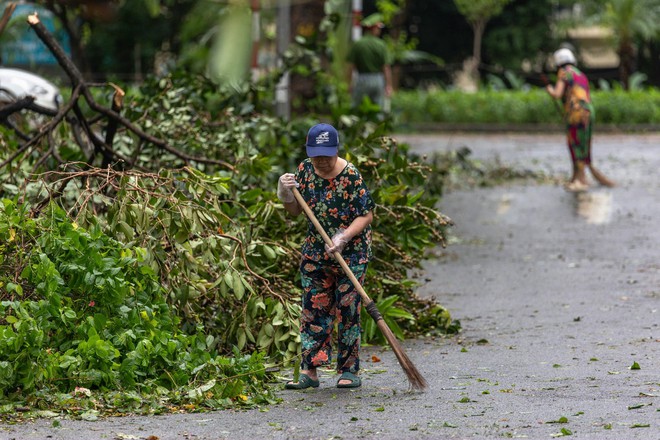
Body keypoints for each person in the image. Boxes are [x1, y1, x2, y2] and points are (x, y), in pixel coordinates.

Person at [277, 123, 375, 389]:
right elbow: (295, 211)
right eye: (316, 154)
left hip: (352, 254)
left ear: (336, 150)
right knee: (313, 309)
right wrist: (284, 193)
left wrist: (343, 237)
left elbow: (366, 214)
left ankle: (348, 370)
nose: (320, 160)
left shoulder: (351, 175)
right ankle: (310, 371)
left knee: (347, 308)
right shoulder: (305, 171)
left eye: (326, 155)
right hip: (316, 252)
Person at [546, 47, 615, 191]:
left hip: (576, 114)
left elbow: (557, 94)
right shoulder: (580, 74)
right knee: (584, 145)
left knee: (575, 145)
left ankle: (581, 180)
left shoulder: (564, 73)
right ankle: (576, 177)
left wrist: (549, 90)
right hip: (588, 112)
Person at [347, 14, 393, 110]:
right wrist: (388, 85)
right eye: (378, 28)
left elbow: (351, 66)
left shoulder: (358, 44)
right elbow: (386, 67)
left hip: (362, 79)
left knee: (357, 108)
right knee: (377, 110)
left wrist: (350, 84)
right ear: (374, 28)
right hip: (378, 79)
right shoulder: (381, 45)